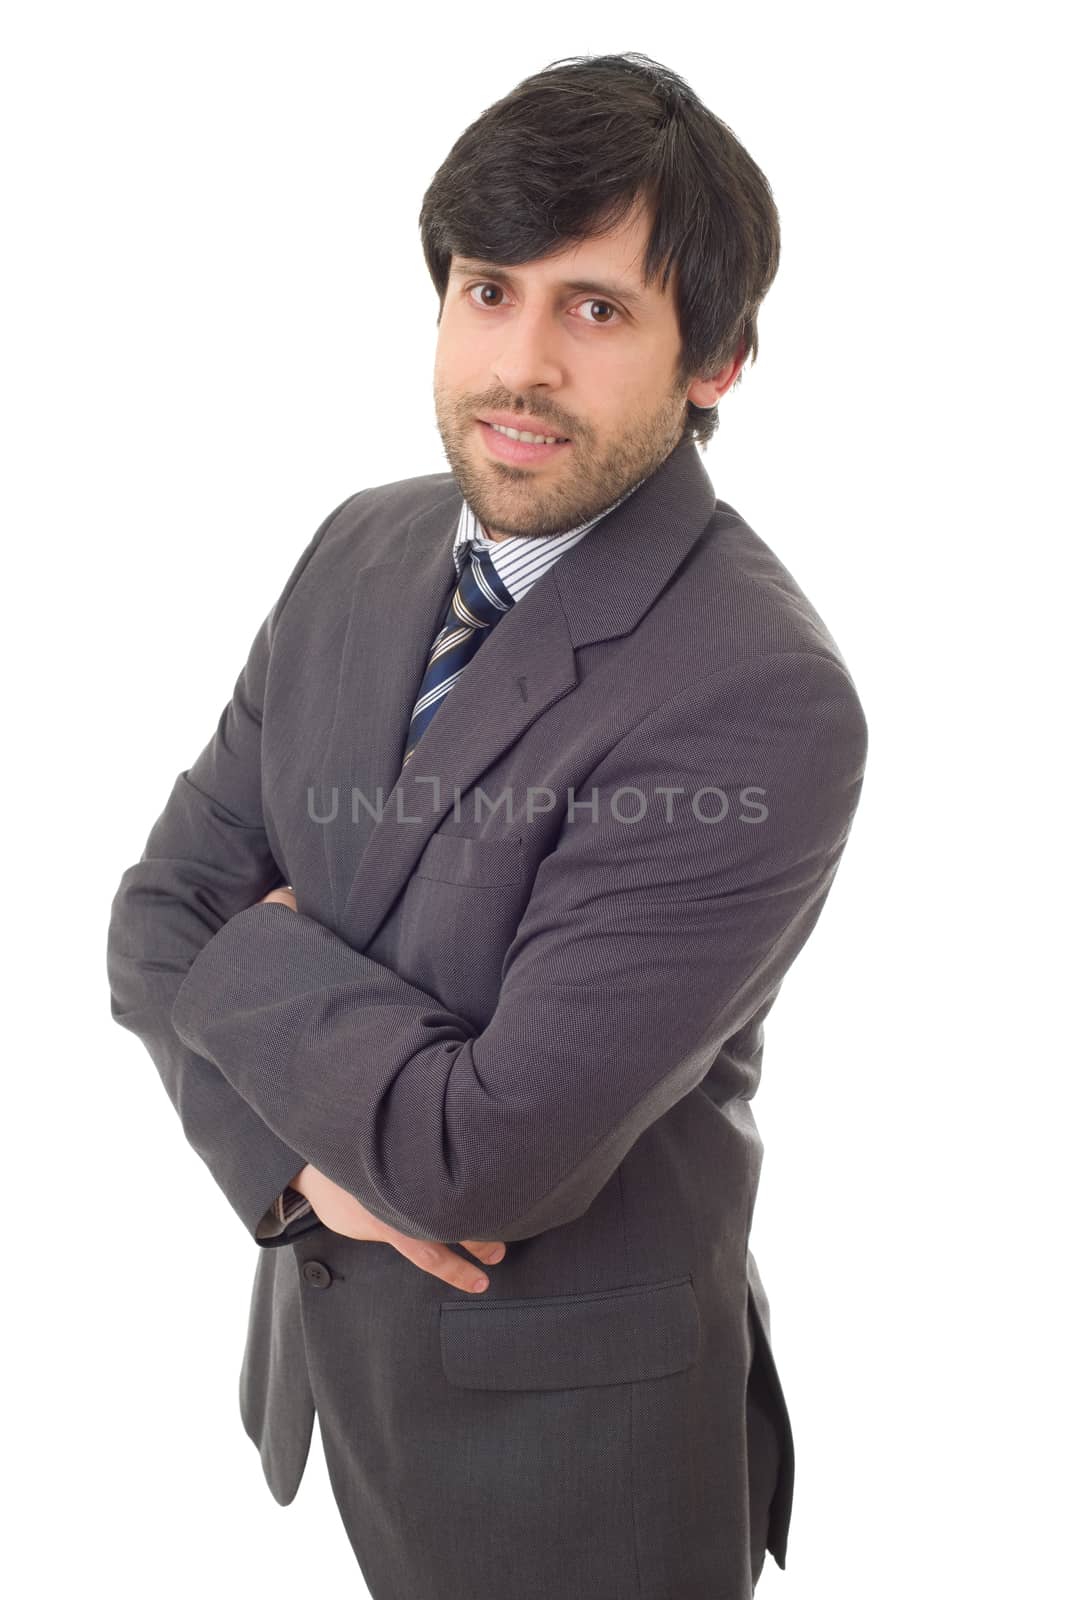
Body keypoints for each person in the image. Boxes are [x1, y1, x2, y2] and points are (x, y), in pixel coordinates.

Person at [107, 50, 868, 1600]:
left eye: (597, 309)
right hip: (345, 1363)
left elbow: (478, 1160)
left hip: (573, 1455)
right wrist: (299, 1173)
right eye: (487, 289)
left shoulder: (755, 691)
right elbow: (150, 917)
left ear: (714, 357)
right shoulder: (364, 543)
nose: (520, 362)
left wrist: (249, 964)